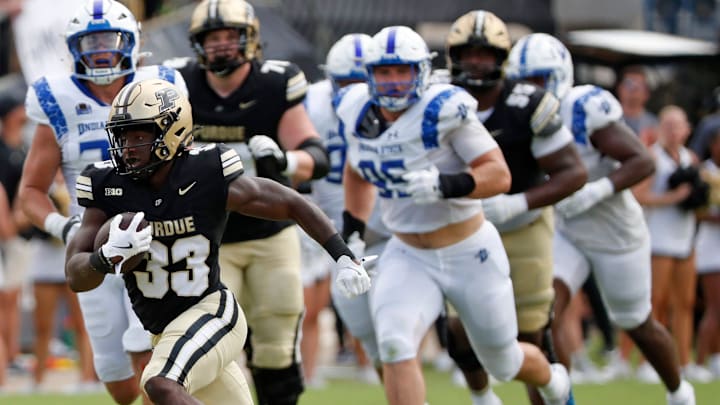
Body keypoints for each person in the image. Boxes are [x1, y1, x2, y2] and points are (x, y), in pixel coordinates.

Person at [65, 77, 372, 405]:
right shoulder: (107, 184)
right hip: (165, 331)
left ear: (172, 131)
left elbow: (291, 203)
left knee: (159, 384)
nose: (128, 148)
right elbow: (75, 275)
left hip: (212, 313)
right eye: (123, 136)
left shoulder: (204, 171)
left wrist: (342, 255)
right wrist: (104, 256)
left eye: (139, 136)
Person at [338, 25, 573, 405]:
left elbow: (499, 173)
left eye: (403, 72)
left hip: (468, 250)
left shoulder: (444, 109)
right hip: (408, 253)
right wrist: (352, 234)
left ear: (422, 73)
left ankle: (554, 380)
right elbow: (357, 170)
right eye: (384, 72)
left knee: (503, 361)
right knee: (395, 345)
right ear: (370, 75)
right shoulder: (356, 111)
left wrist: (446, 184)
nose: (394, 82)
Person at [506, 32, 697, 404]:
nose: (531, 90)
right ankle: (560, 397)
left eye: (540, 80)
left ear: (560, 77)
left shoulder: (583, 109)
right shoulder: (515, 117)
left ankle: (679, 393)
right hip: (566, 231)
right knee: (541, 318)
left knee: (636, 323)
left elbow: (641, 160)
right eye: (523, 81)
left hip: (615, 232)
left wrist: (596, 190)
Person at [17, 1, 187, 403]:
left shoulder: (161, 86)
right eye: (90, 41)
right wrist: (65, 227)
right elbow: (30, 192)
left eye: (109, 39)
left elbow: (187, 161)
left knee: (147, 352)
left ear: (130, 43)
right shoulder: (55, 97)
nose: (100, 50)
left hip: (154, 239)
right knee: (113, 373)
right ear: (74, 47)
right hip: (91, 242)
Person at [174, 1, 330, 403]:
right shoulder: (178, 84)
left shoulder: (274, 83)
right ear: (198, 45)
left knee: (277, 341)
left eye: (231, 37)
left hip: (268, 233)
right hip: (208, 237)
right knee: (209, 342)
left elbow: (316, 156)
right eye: (213, 39)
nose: (222, 47)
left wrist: (285, 160)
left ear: (250, 40)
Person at [443, 10, 587, 404]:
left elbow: (573, 173)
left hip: (524, 224)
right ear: (452, 54)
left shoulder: (527, 102)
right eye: (467, 52)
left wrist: (517, 203)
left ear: (501, 58)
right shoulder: (437, 99)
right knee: (457, 330)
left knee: (531, 334)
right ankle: (482, 397)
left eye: (485, 53)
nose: (475, 61)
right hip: (463, 225)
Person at [299, 32, 382, 388]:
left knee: (367, 298)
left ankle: (370, 362)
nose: (353, 92)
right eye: (346, 83)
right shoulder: (310, 102)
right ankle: (309, 373)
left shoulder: (392, 106)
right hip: (319, 212)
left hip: (370, 217)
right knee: (310, 306)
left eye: (361, 83)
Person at [633, 105, 713, 383]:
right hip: (658, 240)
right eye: (667, 125)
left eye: (678, 126)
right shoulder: (652, 157)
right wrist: (673, 198)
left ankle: (684, 361)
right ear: (659, 130)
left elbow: (696, 197)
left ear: (688, 130)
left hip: (685, 238)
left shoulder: (690, 158)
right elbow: (638, 195)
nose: (673, 131)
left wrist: (697, 199)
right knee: (658, 302)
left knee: (686, 303)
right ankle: (648, 362)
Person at [695, 129, 720, 378]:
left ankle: (716, 358)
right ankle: (699, 361)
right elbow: (696, 210)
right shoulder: (703, 172)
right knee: (714, 307)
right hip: (710, 247)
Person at [616, 65, 658, 147]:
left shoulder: (654, 124)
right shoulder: (608, 119)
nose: (633, 88)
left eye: (639, 85)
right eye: (629, 83)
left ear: (647, 93)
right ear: (619, 88)